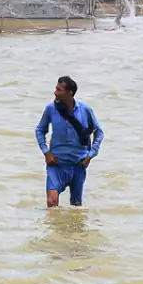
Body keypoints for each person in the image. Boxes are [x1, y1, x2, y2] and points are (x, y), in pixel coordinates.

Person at [34, 75, 105, 207]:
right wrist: (46, 152)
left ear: (70, 93)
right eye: (56, 88)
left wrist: (90, 156)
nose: (55, 92)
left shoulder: (85, 110)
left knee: (76, 206)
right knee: (51, 202)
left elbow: (99, 132)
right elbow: (40, 130)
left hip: (78, 164)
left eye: (59, 90)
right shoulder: (51, 109)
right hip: (57, 163)